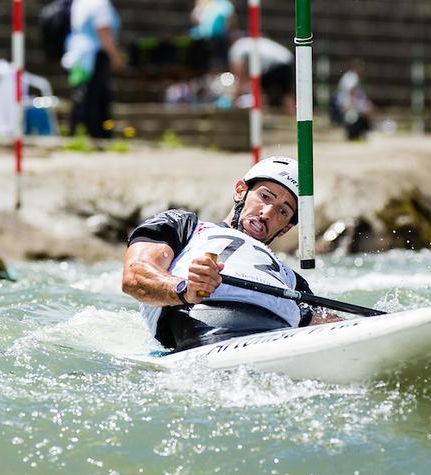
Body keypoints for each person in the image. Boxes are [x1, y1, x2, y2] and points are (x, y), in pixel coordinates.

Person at [122, 157, 337, 352]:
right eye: (264, 196)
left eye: (283, 211)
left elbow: (324, 324)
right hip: (200, 338)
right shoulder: (184, 226)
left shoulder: (289, 278)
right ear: (240, 191)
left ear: (285, 229)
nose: (267, 213)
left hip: (279, 342)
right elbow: (135, 275)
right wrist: (185, 289)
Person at [62, 0, 123, 138]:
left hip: (78, 55)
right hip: (95, 56)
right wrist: (115, 57)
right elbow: (103, 32)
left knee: (82, 95)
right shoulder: (100, 4)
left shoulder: (80, 3)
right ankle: (96, 134)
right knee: (96, 98)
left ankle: (76, 131)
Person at [227, 35, 295, 114]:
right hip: (287, 60)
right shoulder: (246, 43)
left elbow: (240, 73)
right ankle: (293, 115)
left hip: (277, 65)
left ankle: (261, 117)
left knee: (260, 92)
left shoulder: (236, 48)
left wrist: (235, 96)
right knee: (286, 95)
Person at [189, 0, 236, 71]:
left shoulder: (224, 4)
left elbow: (194, 19)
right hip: (207, 38)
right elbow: (231, 22)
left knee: (213, 61)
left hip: (214, 38)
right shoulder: (205, 2)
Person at [334, 60, 373, 141]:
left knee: (366, 109)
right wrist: (356, 105)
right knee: (366, 110)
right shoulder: (352, 77)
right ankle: (362, 131)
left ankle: (362, 131)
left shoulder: (351, 76)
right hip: (348, 103)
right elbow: (352, 91)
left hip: (348, 102)